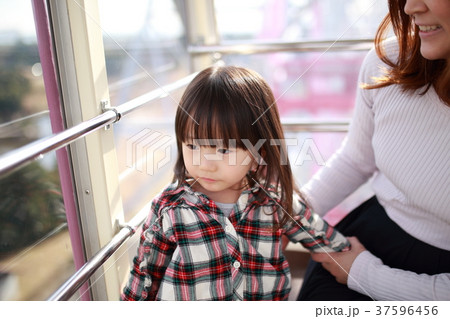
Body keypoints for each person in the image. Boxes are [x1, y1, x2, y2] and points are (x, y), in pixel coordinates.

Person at [121, 66, 350, 301]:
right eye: (193, 146)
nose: (206, 165)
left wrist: (360, 262)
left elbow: (326, 240)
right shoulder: (169, 207)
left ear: (257, 153)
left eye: (223, 150)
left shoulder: (275, 200)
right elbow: (144, 277)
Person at [297, 0, 450, 301]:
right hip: (364, 236)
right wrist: (288, 215)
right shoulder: (390, 60)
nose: (409, 7)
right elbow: (356, 160)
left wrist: (363, 274)